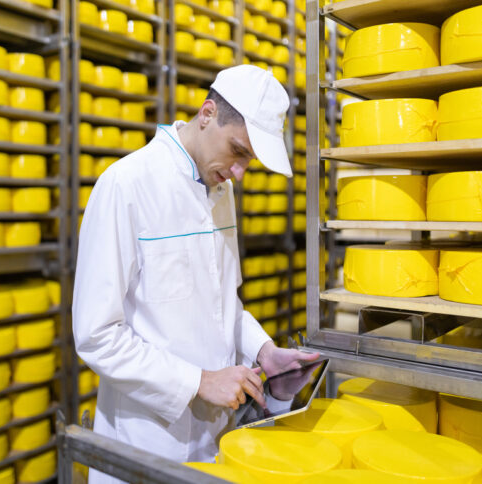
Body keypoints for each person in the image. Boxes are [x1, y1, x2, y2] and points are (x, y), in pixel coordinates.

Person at [73, 64, 319, 483]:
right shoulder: (126, 185)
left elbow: (222, 303)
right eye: (238, 150)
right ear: (206, 114)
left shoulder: (221, 190)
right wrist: (197, 381)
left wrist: (263, 351)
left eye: (249, 160)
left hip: (214, 439)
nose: (240, 171)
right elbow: (96, 335)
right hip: (147, 442)